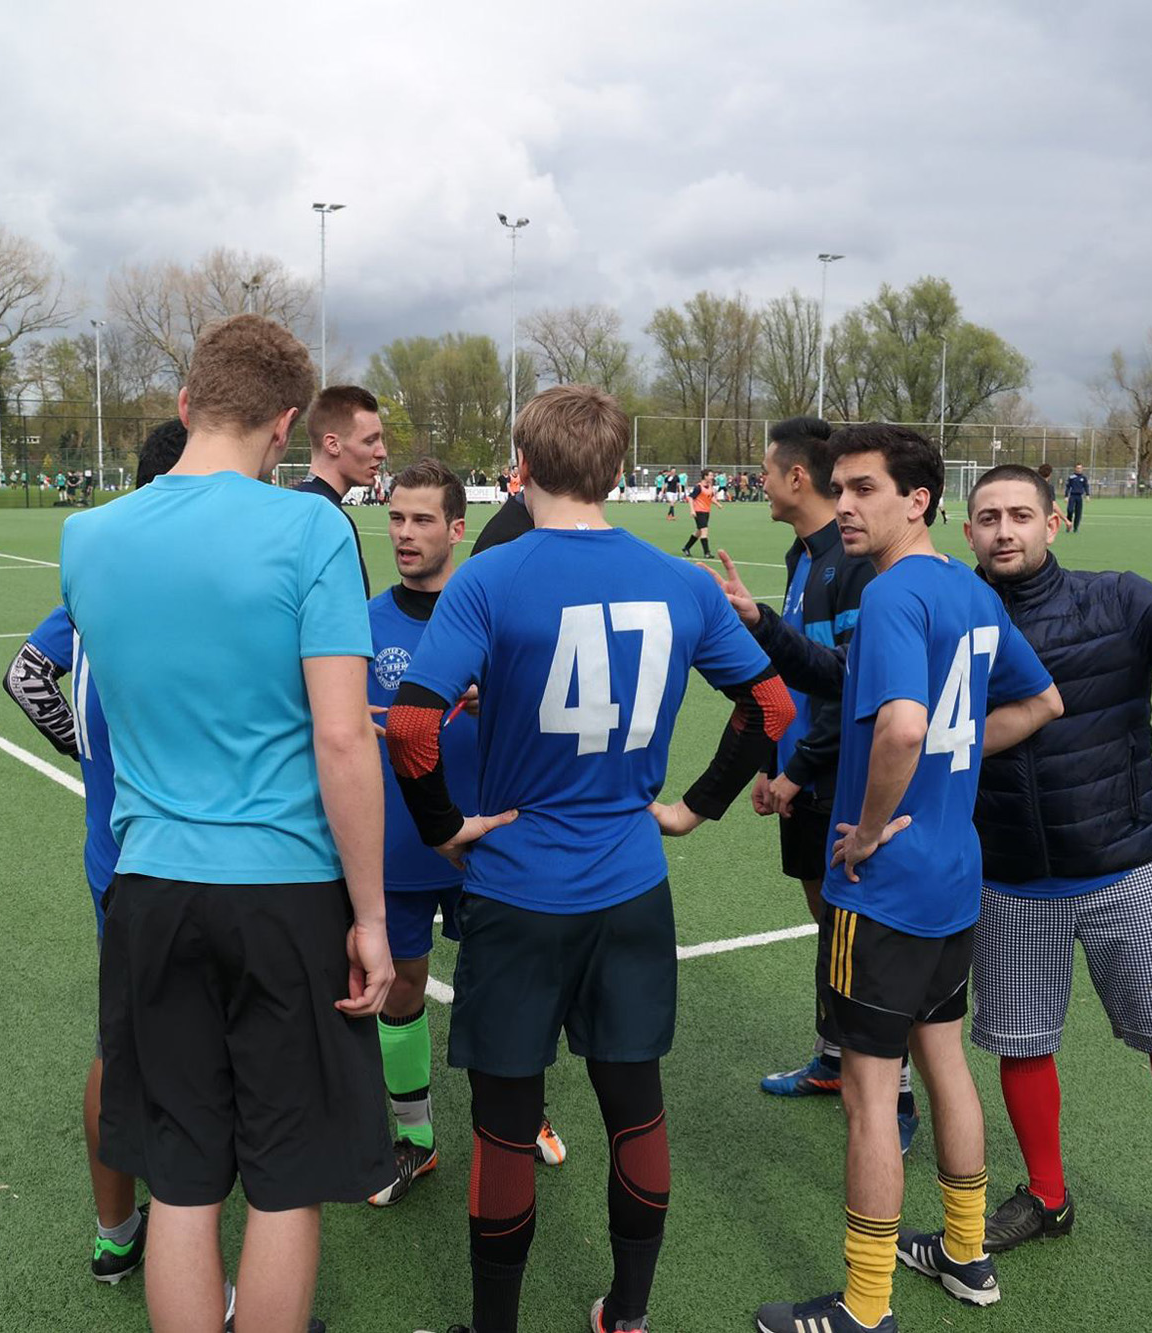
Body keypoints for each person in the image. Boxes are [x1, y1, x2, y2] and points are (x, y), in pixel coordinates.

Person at [387, 384, 793, 1333]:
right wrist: (693, 807)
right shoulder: (682, 582)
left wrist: (443, 828)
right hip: (631, 888)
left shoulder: (490, 576)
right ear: (618, 470)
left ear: (521, 469)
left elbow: (409, 726)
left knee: (503, 1125)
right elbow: (772, 706)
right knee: (635, 1108)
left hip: (517, 888)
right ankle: (630, 1315)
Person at [63, 316, 390, 1333]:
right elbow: (344, 739)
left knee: (181, 1178)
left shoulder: (88, 537)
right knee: (285, 1183)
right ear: (286, 425)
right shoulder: (310, 532)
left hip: (151, 886)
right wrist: (372, 917)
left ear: (184, 402)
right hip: (284, 893)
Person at [748, 424, 1063, 1333]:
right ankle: (966, 1253)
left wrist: (872, 825)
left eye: (863, 489)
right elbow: (1041, 700)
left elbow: (902, 727)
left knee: (869, 1096)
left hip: (885, 886)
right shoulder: (971, 590)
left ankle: (865, 1305)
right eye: (839, 487)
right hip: (953, 873)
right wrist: (946, 769)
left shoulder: (891, 593)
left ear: (917, 500)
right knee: (945, 1061)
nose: (843, 505)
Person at [951, 466, 1152, 1306]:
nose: (1005, 530)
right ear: (966, 529)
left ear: (1053, 523)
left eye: (1021, 514)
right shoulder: (954, 613)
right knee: (1023, 1042)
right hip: (1009, 876)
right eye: (989, 517)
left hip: (1124, 866)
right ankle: (1047, 1195)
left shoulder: (1116, 599)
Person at [5, 419, 189, 1289]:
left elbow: (25, 675)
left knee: (120, 1045)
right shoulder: (181, 579)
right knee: (190, 1058)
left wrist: (89, 752)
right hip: (179, 856)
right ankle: (189, 1258)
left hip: (113, 854)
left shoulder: (97, 575)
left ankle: (117, 1232)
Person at [364, 458, 571, 1208]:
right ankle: (415, 1139)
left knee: (511, 988)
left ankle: (523, 1109)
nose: (406, 533)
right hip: (401, 844)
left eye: (423, 520)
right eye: (396, 517)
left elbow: (558, 722)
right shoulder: (363, 623)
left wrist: (503, 699)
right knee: (403, 986)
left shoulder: (496, 615)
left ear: (458, 529)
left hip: (490, 840)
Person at [731, 419, 886, 1113]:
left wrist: (799, 770)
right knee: (829, 927)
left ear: (797, 477)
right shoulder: (802, 557)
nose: (759, 481)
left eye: (766, 470)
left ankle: (889, 1089)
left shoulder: (851, 563)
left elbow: (850, 687)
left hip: (836, 782)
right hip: (801, 775)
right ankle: (833, 1056)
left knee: (854, 935)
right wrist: (773, 762)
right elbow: (787, 675)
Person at [295, 384, 386, 596]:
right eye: (370, 441)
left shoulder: (295, 504)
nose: (382, 452)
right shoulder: (325, 517)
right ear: (333, 445)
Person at [678, 468, 717, 559]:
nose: (712, 477)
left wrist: (717, 504)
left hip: (706, 511)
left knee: (698, 532)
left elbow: (710, 497)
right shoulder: (698, 487)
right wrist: (692, 510)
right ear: (705, 476)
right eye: (710, 475)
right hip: (699, 511)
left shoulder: (710, 486)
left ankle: (686, 548)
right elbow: (690, 498)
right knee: (704, 531)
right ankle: (707, 553)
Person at [1063, 463, 1088, 533]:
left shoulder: (1084, 478)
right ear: (1075, 469)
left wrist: (1087, 495)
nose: (1079, 469)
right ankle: (1069, 525)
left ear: (1082, 469)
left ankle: (1076, 528)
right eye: (1077, 468)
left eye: (1080, 468)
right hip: (1072, 496)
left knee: (1078, 513)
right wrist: (1066, 496)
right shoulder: (1071, 477)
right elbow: (1068, 487)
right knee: (1070, 510)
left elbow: (1086, 486)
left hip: (1079, 497)